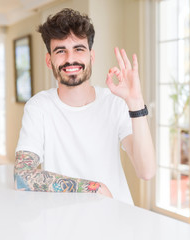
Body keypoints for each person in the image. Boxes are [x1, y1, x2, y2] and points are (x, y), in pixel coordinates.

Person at [14, 8, 156, 205]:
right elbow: (23, 177)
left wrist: (136, 102)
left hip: (117, 219)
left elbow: (146, 171)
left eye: (78, 49)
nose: (70, 58)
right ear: (49, 60)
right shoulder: (38, 107)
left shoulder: (114, 103)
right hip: (65, 221)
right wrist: (93, 188)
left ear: (91, 56)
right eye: (60, 50)